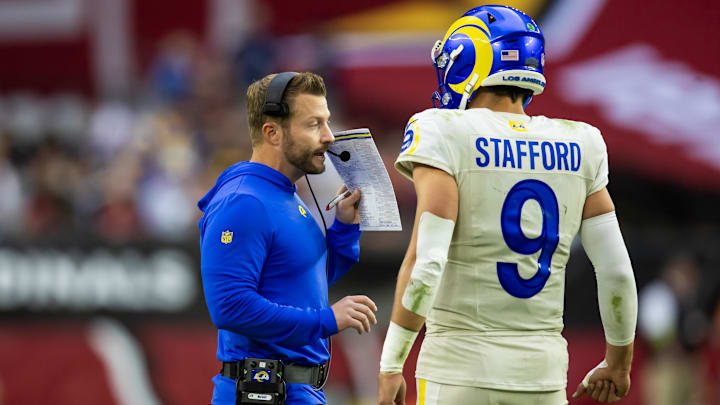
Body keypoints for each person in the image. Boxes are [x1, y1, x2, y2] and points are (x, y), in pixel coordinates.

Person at [377, 6, 637, 405]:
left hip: (458, 370)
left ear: (469, 60)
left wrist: (392, 364)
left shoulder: (444, 131)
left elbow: (426, 263)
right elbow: (617, 271)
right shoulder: (582, 141)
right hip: (544, 378)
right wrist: (618, 363)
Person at [198, 72, 378, 405]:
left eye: (326, 123)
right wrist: (326, 320)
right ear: (272, 132)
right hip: (262, 393)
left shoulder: (283, 195)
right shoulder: (245, 202)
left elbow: (299, 284)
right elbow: (229, 307)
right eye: (313, 125)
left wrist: (344, 229)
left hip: (293, 392)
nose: (328, 137)